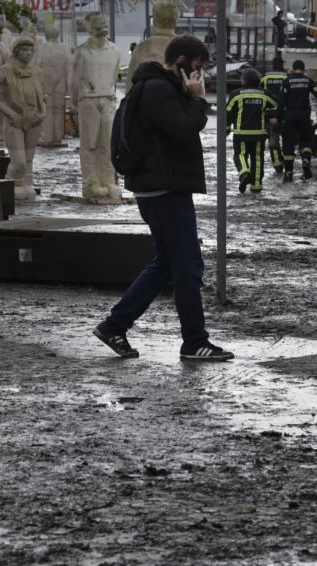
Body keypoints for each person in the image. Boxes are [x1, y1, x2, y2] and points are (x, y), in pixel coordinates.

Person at [92, 35, 233, 362]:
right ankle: (194, 342)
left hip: (159, 187)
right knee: (187, 265)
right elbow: (183, 130)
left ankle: (115, 325)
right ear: (181, 60)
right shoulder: (158, 89)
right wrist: (198, 100)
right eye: (197, 67)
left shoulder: (160, 88)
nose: (199, 75)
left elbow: (172, 130)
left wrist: (189, 96)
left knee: (166, 263)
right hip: (164, 189)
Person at [71, 12, 121, 199]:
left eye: (104, 20)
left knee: (107, 144)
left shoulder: (115, 50)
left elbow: (114, 77)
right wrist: (76, 103)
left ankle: (108, 180)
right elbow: (73, 81)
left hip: (108, 99)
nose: (102, 23)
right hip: (88, 100)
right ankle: (91, 181)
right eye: (97, 22)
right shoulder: (81, 52)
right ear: (89, 27)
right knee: (89, 143)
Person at [0, 36, 46, 200]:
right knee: (19, 161)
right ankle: (13, 182)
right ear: (16, 51)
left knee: (29, 159)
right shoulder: (5, 70)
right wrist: (12, 114)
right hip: (14, 121)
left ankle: (26, 183)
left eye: (31, 50)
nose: (28, 53)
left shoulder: (37, 71)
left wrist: (42, 113)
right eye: (25, 50)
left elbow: (43, 96)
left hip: (34, 120)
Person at [226, 68, 278, 194]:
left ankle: (244, 172)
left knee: (240, 155)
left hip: (241, 133)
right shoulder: (265, 93)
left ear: (244, 80)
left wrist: (226, 128)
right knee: (257, 159)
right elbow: (278, 106)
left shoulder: (236, 94)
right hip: (259, 134)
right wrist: (270, 115)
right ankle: (256, 186)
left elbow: (228, 112)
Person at [125, 0, 179, 92]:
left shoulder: (142, 48)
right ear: (177, 20)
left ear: (153, 20)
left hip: (147, 103)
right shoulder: (187, 48)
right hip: (179, 104)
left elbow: (130, 87)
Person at [280, 58, 317, 182]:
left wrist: (278, 117)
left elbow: (281, 101)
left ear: (292, 68)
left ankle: (288, 173)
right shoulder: (308, 81)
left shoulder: (287, 81)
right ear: (304, 70)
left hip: (290, 115)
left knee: (288, 143)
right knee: (306, 141)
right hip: (304, 115)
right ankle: (306, 160)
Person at [260, 56, 288, 174]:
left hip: (270, 113)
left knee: (273, 139)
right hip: (285, 112)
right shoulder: (287, 77)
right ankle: (287, 162)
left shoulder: (265, 77)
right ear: (282, 64)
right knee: (287, 140)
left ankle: (278, 165)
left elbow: (260, 92)